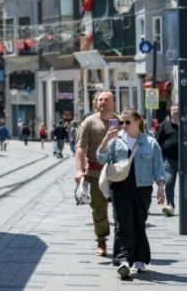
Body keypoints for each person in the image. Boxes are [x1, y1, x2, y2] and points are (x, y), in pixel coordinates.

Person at [97, 109, 165, 277]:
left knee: (139, 223)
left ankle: (140, 258)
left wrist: (161, 188)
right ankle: (123, 260)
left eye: (127, 122)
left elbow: (158, 168)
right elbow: (101, 158)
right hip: (119, 187)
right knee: (122, 224)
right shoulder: (115, 140)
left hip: (142, 188)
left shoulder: (150, 142)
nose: (123, 125)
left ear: (138, 122)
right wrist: (106, 139)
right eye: (121, 122)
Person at [75, 90, 120, 257]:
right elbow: (81, 148)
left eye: (106, 99)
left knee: (119, 209)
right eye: (100, 99)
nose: (102, 102)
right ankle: (101, 240)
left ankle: (121, 241)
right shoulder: (89, 122)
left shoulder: (120, 121)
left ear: (114, 104)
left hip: (116, 173)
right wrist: (79, 170)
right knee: (99, 209)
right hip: (94, 172)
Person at [157, 103, 179, 216]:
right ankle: (170, 205)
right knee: (169, 181)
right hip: (169, 159)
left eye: (177, 110)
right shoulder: (165, 125)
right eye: (173, 110)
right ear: (170, 112)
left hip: (184, 160)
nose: (175, 112)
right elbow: (158, 140)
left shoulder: (185, 124)